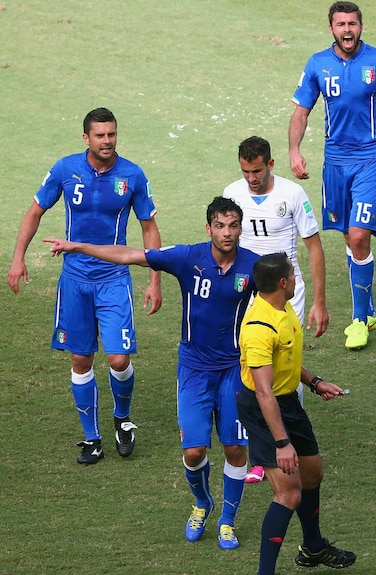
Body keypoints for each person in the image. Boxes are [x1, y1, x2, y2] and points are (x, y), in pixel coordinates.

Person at [45, 197, 258, 548]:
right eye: (220, 225)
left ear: (240, 227)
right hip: (193, 370)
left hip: (234, 371)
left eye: (233, 225)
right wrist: (77, 245)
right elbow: (129, 254)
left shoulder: (253, 265)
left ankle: (228, 521)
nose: (227, 233)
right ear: (208, 229)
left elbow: (282, 290)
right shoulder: (188, 257)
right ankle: (203, 503)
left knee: (235, 449)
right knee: (193, 452)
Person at [7, 107, 162, 465]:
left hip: (114, 279)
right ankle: (92, 438)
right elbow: (34, 212)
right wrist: (18, 257)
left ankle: (122, 419)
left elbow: (149, 228)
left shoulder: (133, 175)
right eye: (100, 135)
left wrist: (155, 278)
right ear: (86, 138)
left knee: (119, 358)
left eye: (112, 134)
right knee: (80, 358)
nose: (107, 141)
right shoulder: (65, 169)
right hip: (75, 280)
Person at [289, 1, 376, 350]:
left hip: (372, 159)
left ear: (361, 27)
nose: (347, 30)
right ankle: (369, 308)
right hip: (335, 163)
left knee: (360, 236)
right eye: (340, 24)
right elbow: (302, 112)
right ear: (331, 29)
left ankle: (359, 320)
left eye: (352, 23)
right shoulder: (317, 64)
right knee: (349, 238)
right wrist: (294, 150)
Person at [237, 253, 355, 573]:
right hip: (264, 410)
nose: (295, 280)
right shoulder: (258, 327)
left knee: (312, 473)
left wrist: (315, 383)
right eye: (293, 275)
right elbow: (263, 391)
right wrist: (281, 442)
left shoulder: (283, 307)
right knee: (288, 494)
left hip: (286, 401)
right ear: (283, 283)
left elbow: (285, 361)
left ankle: (313, 548)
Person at [224, 136, 329, 484]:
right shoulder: (232, 193)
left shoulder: (292, 195)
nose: (251, 178)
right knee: (252, 369)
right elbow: (223, 241)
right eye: (245, 171)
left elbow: (313, 246)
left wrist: (318, 301)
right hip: (248, 295)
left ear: (270, 164)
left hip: (287, 293)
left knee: (286, 368)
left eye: (256, 171)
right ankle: (265, 449)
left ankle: (289, 442)